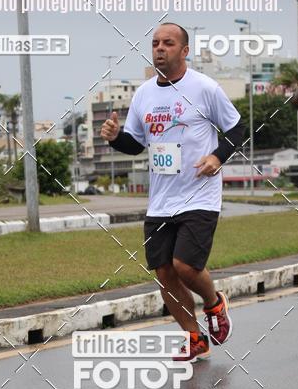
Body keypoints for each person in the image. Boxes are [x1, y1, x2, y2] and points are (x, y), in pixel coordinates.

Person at [100, 22, 245, 362]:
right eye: (155, 43)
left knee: (185, 266)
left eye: (168, 43)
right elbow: (135, 145)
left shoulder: (204, 88)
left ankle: (214, 304)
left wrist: (217, 156)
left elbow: (237, 129)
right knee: (164, 273)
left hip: (200, 194)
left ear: (184, 50)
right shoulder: (144, 94)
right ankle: (194, 337)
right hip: (161, 200)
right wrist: (113, 137)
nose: (159, 48)